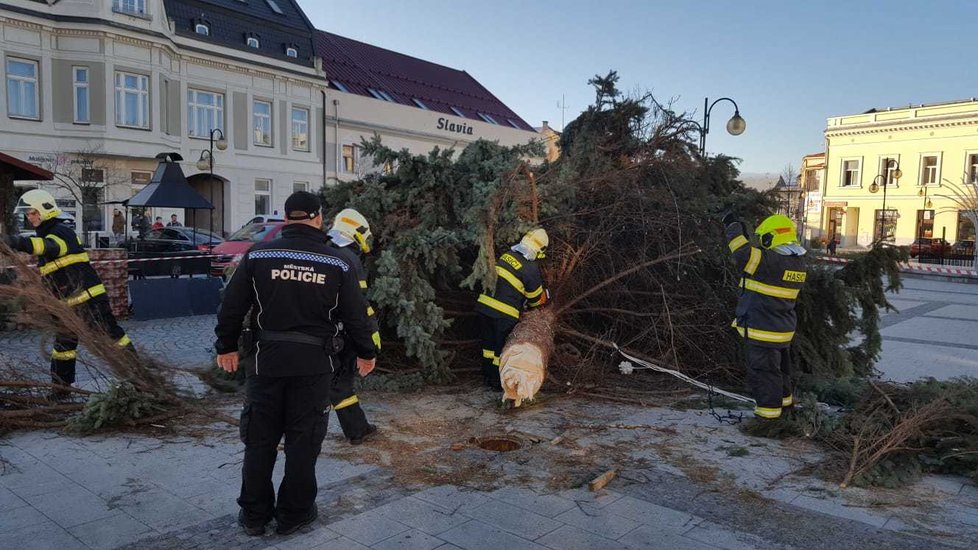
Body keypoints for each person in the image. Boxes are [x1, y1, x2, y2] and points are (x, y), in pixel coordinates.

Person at [214, 191, 378, 537]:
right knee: (303, 443)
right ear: (319, 218)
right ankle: (294, 515)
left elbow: (231, 305)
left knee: (260, 441)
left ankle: (254, 516)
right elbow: (356, 317)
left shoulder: (259, 254)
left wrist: (226, 346)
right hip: (315, 367)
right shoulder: (338, 262)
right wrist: (366, 352)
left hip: (265, 364)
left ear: (287, 218)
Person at [1, 190, 135, 397]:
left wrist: (14, 241)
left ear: (45, 209)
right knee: (63, 346)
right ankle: (61, 389)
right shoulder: (44, 234)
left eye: (33, 212)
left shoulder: (61, 231)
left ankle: (138, 375)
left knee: (111, 335)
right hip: (65, 305)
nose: (30, 217)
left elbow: (50, 247)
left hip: (88, 299)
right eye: (28, 214)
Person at [723, 211, 807, 425]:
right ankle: (786, 409)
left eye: (763, 239)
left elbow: (742, 254)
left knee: (764, 374)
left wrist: (732, 224)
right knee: (781, 372)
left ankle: (766, 419)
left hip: (763, 330)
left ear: (771, 238)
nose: (761, 243)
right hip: (781, 331)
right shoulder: (797, 264)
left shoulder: (771, 262)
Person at [325, 208, 382, 445]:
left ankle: (358, 428)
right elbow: (358, 306)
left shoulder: (319, 250)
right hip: (340, 333)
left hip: (310, 332)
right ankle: (357, 430)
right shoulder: (349, 259)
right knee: (340, 382)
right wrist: (370, 338)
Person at [474, 229, 550, 391]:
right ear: (540, 249)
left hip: (484, 306)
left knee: (488, 345)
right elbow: (535, 300)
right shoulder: (531, 268)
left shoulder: (507, 256)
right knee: (500, 349)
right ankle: (498, 383)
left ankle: (487, 377)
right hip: (504, 313)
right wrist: (545, 296)